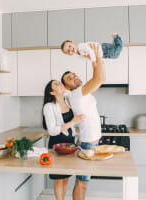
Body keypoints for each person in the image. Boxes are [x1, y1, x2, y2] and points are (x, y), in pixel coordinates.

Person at [61, 44, 106, 200]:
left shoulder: (78, 93)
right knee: (82, 183)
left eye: (74, 74)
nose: (74, 77)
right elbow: (100, 78)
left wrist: (93, 59)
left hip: (90, 141)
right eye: (70, 78)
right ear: (66, 86)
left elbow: (96, 77)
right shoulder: (77, 94)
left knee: (83, 182)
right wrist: (97, 56)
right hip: (88, 143)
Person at [42, 80, 85, 200]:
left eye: (59, 82)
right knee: (58, 180)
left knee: (65, 178)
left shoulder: (68, 100)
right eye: (56, 84)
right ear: (52, 92)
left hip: (70, 144)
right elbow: (52, 131)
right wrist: (73, 122)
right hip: (57, 145)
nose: (60, 84)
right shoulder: (49, 107)